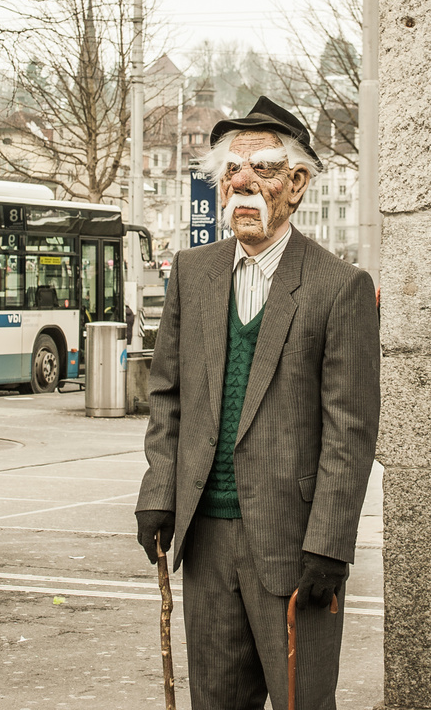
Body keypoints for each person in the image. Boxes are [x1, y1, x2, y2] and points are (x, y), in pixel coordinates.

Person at [135, 97, 380, 710]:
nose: (241, 182)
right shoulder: (193, 272)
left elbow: (349, 430)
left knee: (302, 701)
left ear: (297, 185)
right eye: (230, 171)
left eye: (262, 169)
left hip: (294, 546)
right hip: (208, 539)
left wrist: (329, 543)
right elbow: (167, 396)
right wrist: (157, 492)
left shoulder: (337, 287)